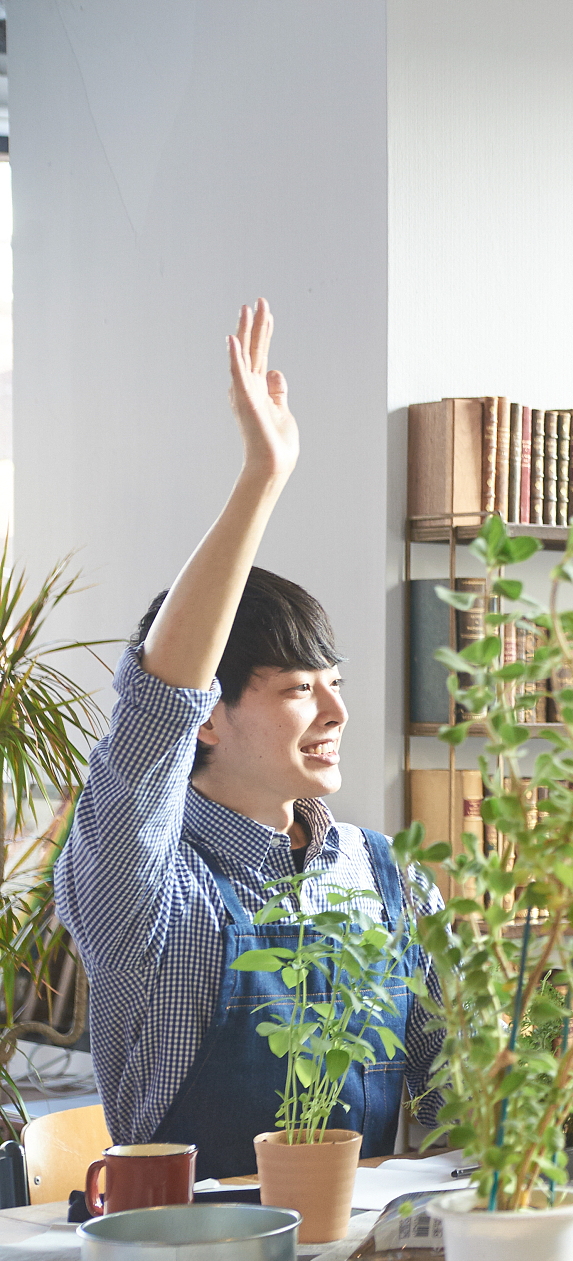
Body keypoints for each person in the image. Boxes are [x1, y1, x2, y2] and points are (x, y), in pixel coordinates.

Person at [54, 301, 442, 1180]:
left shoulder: (385, 877)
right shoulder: (144, 887)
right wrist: (260, 481)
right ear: (209, 717)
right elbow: (152, 711)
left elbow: (455, 1091)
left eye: (336, 685)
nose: (337, 714)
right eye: (301, 690)